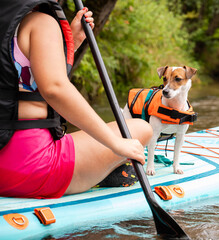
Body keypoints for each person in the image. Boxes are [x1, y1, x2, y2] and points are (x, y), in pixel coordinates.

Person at [0, 1, 152, 199]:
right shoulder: (40, 22)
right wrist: (115, 143)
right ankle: (103, 171)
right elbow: (55, 89)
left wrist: (69, 43)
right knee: (141, 128)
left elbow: (22, 79)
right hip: (28, 168)